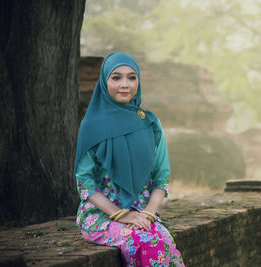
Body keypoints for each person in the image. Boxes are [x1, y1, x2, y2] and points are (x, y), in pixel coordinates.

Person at [74, 52, 184, 266]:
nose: (125, 84)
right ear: (105, 82)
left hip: (143, 215)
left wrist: (148, 214)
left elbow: (162, 176)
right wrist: (120, 215)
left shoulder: (149, 123)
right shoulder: (91, 126)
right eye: (116, 77)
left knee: (165, 241)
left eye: (131, 77)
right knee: (145, 243)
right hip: (101, 216)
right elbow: (85, 183)